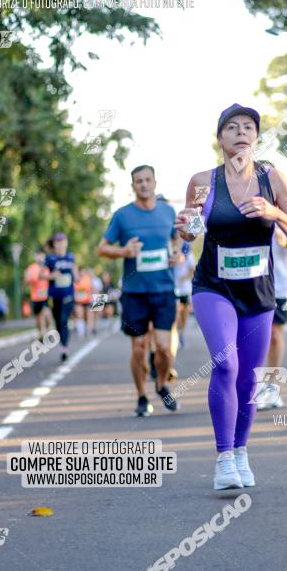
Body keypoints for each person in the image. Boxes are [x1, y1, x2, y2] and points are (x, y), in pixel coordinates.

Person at [175, 104, 287, 490]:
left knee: (249, 379)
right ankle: (222, 459)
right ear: (220, 138)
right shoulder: (203, 180)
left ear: (256, 136)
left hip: (258, 292)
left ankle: (240, 452)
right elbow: (190, 230)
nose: (240, 133)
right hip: (213, 287)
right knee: (226, 366)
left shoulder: (274, 179)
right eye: (231, 127)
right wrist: (185, 228)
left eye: (247, 127)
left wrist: (274, 212)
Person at [98, 164, 180, 417]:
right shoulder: (123, 216)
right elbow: (102, 248)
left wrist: (177, 252)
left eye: (147, 180)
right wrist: (124, 251)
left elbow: (176, 239)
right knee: (139, 348)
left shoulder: (168, 211)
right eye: (138, 181)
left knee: (165, 349)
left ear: (155, 182)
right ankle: (142, 396)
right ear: (133, 186)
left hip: (164, 290)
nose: (143, 184)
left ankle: (161, 383)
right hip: (135, 293)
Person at [255, 226, 287, 410]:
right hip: (253, 284)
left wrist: (285, 242)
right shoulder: (247, 210)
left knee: (275, 334)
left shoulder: (284, 216)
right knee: (256, 336)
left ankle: (272, 387)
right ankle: (255, 384)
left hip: (281, 287)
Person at [45, 232, 79, 360]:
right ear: (54, 244)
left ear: (66, 243)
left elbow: (76, 275)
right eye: (58, 242)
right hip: (54, 296)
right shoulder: (50, 258)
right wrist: (51, 276)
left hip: (68, 294)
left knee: (64, 320)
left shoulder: (71, 257)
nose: (61, 245)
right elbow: (41, 275)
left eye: (63, 242)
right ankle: (63, 344)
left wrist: (77, 277)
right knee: (58, 321)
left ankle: (65, 347)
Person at [24, 248, 52, 340]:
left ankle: (47, 331)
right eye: (38, 255)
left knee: (45, 312)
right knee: (38, 316)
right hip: (35, 296)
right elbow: (27, 280)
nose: (40, 257)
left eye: (42, 255)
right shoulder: (31, 268)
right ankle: (41, 334)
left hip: (46, 295)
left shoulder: (48, 267)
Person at [173, 242, 195, 348]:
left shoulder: (190, 256)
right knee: (177, 313)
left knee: (184, 315)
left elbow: (192, 273)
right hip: (175, 290)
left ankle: (181, 333)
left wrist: (183, 278)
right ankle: (176, 335)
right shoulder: (174, 253)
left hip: (185, 290)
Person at [74, 268, 93, 337]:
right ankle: (81, 331)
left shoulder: (88, 278)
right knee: (80, 314)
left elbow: (91, 288)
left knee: (89, 315)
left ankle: (89, 331)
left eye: (83, 272)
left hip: (87, 301)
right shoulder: (75, 279)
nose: (82, 273)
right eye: (81, 272)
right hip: (78, 301)